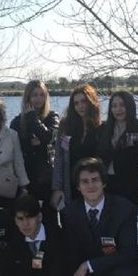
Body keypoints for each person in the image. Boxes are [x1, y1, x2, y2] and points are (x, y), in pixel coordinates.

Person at [10, 80, 60, 225]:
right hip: (26, 180)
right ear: (27, 98)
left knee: (50, 221)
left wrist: (32, 117)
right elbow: (16, 149)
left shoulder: (52, 117)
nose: (38, 99)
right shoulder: (17, 122)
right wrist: (35, 142)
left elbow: (48, 137)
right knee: (27, 220)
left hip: (46, 180)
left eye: (41, 95)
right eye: (34, 95)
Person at [51, 84, 102, 212]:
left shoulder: (101, 128)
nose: (80, 106)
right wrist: (57, 189)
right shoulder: (66, 127)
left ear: (91, 102)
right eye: (76, 103)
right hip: (71, 187)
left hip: (93, 187)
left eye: (83, 101)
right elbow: (59, 159)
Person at [97, 91, 138, 208]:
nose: (118, 109)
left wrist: (136, 181)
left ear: (130, 106)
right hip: (106, 185)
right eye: (114, 106)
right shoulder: (103, 129)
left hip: (130, 187)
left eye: (122, 105)